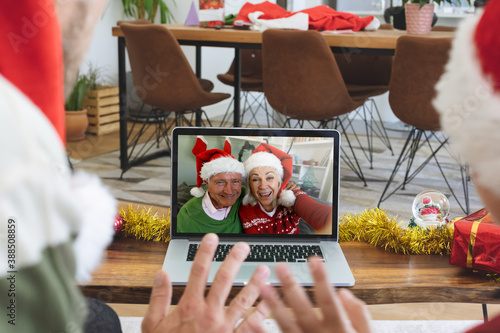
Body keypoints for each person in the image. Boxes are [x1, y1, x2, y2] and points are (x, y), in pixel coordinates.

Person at [253, 1, 500, 332]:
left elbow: (319, 218)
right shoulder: (239, 206)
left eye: (270, 176)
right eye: (255, 178)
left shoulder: (296, 199)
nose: (263, 184)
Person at [239, 142, 331, 234]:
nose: (263, 186)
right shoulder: (246, 210)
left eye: (270, 178)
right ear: (249, 184)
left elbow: (322, 214)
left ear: (279, 181)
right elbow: (257, 244)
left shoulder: (292, 195)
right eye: (255, 179)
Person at [177, 136, 246, 233]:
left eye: (235, 181)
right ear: (206, 182)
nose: (229, 191)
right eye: (220, 182)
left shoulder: (246, 198)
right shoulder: (187, 216)